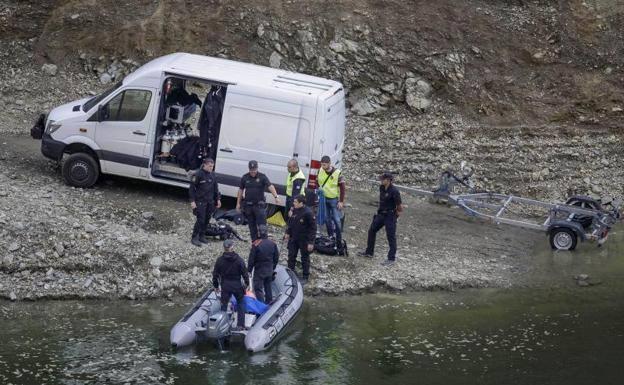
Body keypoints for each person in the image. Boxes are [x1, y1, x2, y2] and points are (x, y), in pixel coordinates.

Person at [358, 171, 403, 266]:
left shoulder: (394, 191)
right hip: (381, 214)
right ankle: (369, 252)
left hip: (390, 215)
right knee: (372, 230)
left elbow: (399, 206)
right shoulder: (381, 188)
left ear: (388, 180)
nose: (381, 181)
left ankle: (391, 258)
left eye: (383, 179)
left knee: (391, 236)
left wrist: (395, 216)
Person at [236, 160, 280, 241]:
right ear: (249, 169)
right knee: (252, 227)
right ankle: (255, 243)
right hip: (248, 206)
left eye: (254, 170)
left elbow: (270, 186)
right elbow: (240, 190)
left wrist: (276, 197)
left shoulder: (262, 177)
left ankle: (264, 243)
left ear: (257, 168)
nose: (253, 172)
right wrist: (238, 203)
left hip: (259, 206)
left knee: (262, 227)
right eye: (251, 170)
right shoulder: (245, 177)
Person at [212, 239, 250, 331]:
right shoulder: (239, 260)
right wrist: (247, 283)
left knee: (224, 305)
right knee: (241, 303)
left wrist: (216, 286)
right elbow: (244, 273)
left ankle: (222, 324)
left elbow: (215, 275)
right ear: (232, 247)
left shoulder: (219, 260)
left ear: (224, 248)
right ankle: (240, 325)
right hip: (237, 285)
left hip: (225, 286)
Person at [189, 158, 221, 247]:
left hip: (210, 201)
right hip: (200, 201)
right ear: (205, 165)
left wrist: (218, 199)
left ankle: (202, 236)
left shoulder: (213, 175)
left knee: (207, 219)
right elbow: (192, 189)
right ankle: (194, 237)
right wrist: (192, 201)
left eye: (212, 166)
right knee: (200, 220)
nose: (211, 168)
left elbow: (216, 189)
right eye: (210, 166)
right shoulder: (198, 174)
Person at [284, 194, 316, 284]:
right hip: (294, 237)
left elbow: (313, 228)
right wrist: (287, 232)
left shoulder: (308, 213)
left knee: (304, 258)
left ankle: (305, 276)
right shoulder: (294, 210)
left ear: (301, 203)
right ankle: (290, 272)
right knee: (291, 255)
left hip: (304, 239)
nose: (293, 203)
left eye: (295, 202)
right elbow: (291, 222)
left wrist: (311, 242)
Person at [318, 155, 346, 246]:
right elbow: (317, 182)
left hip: (333, 199)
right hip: (323, 199)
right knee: (326, 218)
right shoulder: (320, 170)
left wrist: (341, 201)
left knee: (337, 219)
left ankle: (338, 239)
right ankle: (331, 236)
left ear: (330, 164)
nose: (323, 167)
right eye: (322, 165)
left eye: (325, 165)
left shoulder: (337, 173)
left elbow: (342, 187)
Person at [247, 224, 280, 303]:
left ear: (259, 233)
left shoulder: (256, 244)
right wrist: (273, 267)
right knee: (268, 286)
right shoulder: (273, 244)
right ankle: (269, 301)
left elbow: (251, 259)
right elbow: (276, 257)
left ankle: (261, 305)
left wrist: (249, 270)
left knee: (258, 288)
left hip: (259, 270)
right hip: (269, 269)